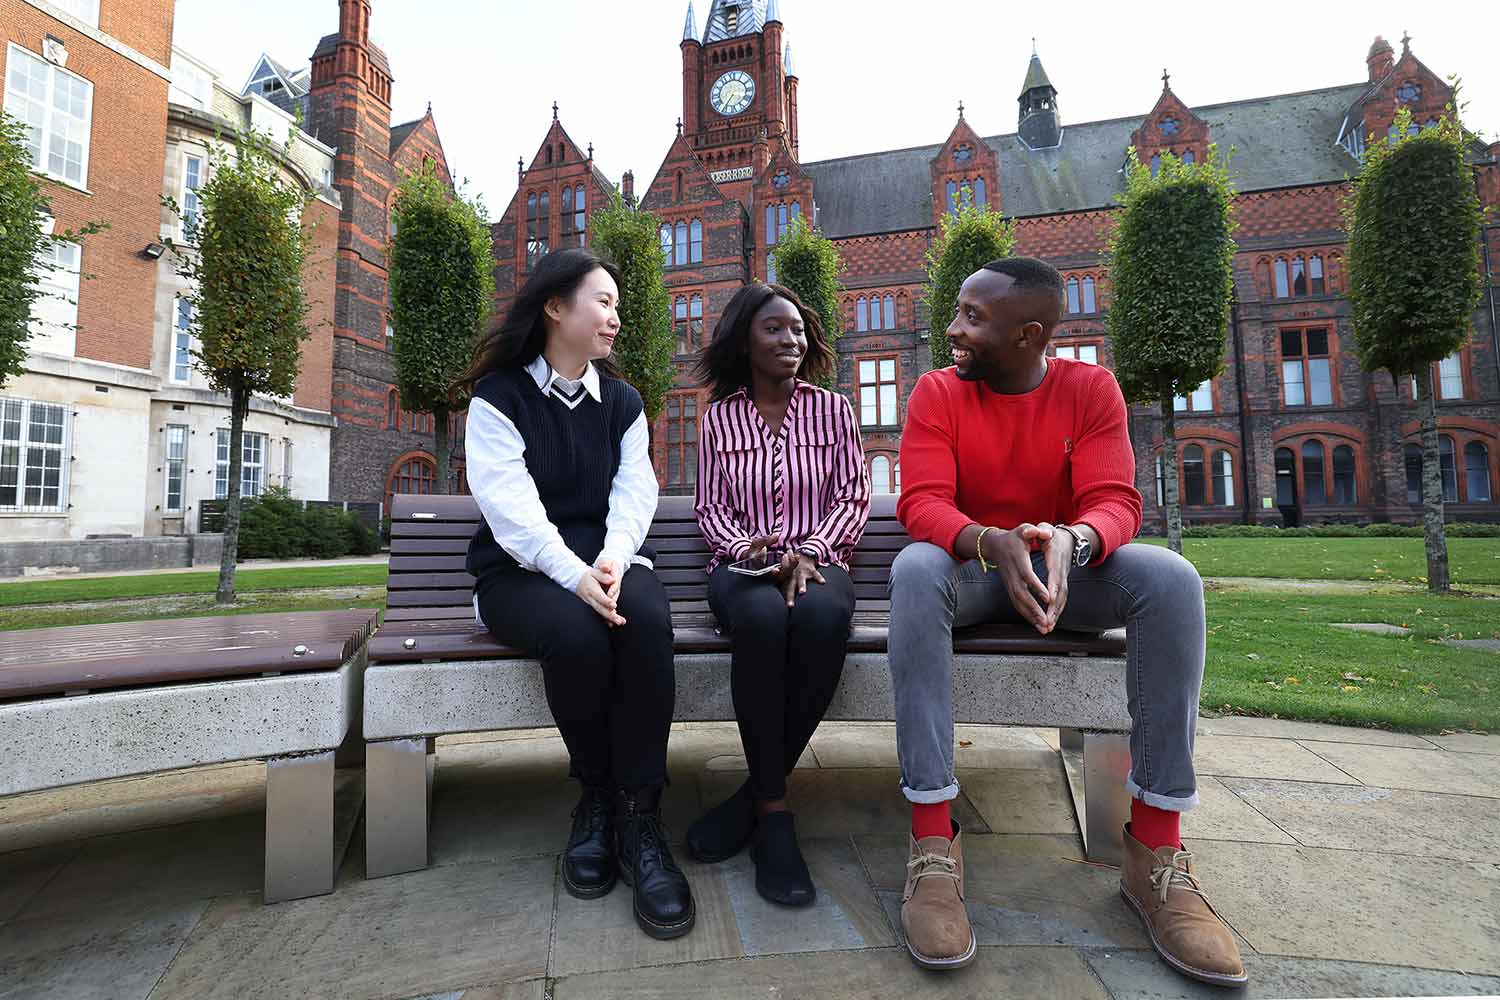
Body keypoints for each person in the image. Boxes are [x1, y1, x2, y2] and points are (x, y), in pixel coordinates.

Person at [886, 257, 1245, 986]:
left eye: (972, 319)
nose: (952, 330)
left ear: (1030, 334)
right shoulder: (936, 394)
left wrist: (1073, 544)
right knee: (914, 570)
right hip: (977, 569)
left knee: (1171, 578)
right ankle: (932, 844)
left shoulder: (1090, 390)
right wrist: (993, 542)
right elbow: (921, 503)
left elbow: (1116, 500)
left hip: (1066, 570)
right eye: (956, 312)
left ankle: (1156, 853)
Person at [456, 247, 694, 941]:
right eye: (605, 301)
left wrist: (614, 561)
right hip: (520, 573)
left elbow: (634, 492)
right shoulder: (499, 398)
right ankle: (595, 794)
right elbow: (512, 510)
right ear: (556, 308)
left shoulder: (622, 403)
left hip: (609, 562)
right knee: (577, 631)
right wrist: (575, 576)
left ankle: (639, 814)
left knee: (646, 619)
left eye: (618, 303)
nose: (616, 317)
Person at [685, 282, 870, 905]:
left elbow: (853, 496)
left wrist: (810, 552)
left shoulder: (835, 410)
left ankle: (757, 804)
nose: (791, 340)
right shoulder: (719, 417)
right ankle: (774, 815)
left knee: (819, 622)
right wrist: (752, 551)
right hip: (743, 564)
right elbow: (709, 508)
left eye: (797, 329)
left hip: (823, 560)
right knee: (762, 622)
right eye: (775, 329)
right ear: (746, 339)